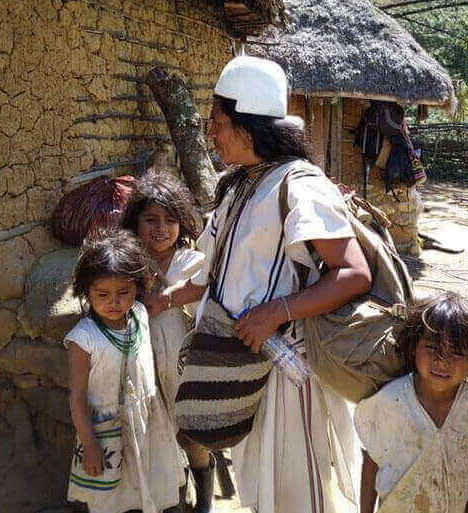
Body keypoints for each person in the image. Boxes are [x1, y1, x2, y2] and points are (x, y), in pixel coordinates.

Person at [146, 56, 369, 513]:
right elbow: (213, 273)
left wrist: (275, 312)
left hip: (287, 370)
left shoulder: (299, 184)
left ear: (247, 127)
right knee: (262, 486)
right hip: (241, 366)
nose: (211, 134)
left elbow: (353, 273)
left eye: (218, 123)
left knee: (296, 490)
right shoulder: (237, 186)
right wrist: (164, 298)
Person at [66, 227, 186, 513]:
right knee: (110, 499)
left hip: (148, 423)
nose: (114, 302)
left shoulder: (140, 315)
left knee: (152, 489)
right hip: (105, 431)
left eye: (123, 292)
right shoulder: (83, 338)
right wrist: (90, 444)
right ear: (87, 291)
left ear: (137, 287)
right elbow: (78, 397)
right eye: (103, 294)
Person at [355, 292, 468, 513]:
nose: (442, 361)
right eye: (432, 347)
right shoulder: (390, 401)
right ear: (414, 347)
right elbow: (372, 462)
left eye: (456, 352)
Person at [121, 170, 214, 510]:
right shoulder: (128, 264)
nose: (161, 229)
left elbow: (206, 297)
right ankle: (173, 496)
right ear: (136, 223)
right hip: (144, 368)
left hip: (183, 369)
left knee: (192, 436)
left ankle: (204, 495)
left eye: (170, 220)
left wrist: (169, 298)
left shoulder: (192, 263)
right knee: (157, 435)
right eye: (151, 220)